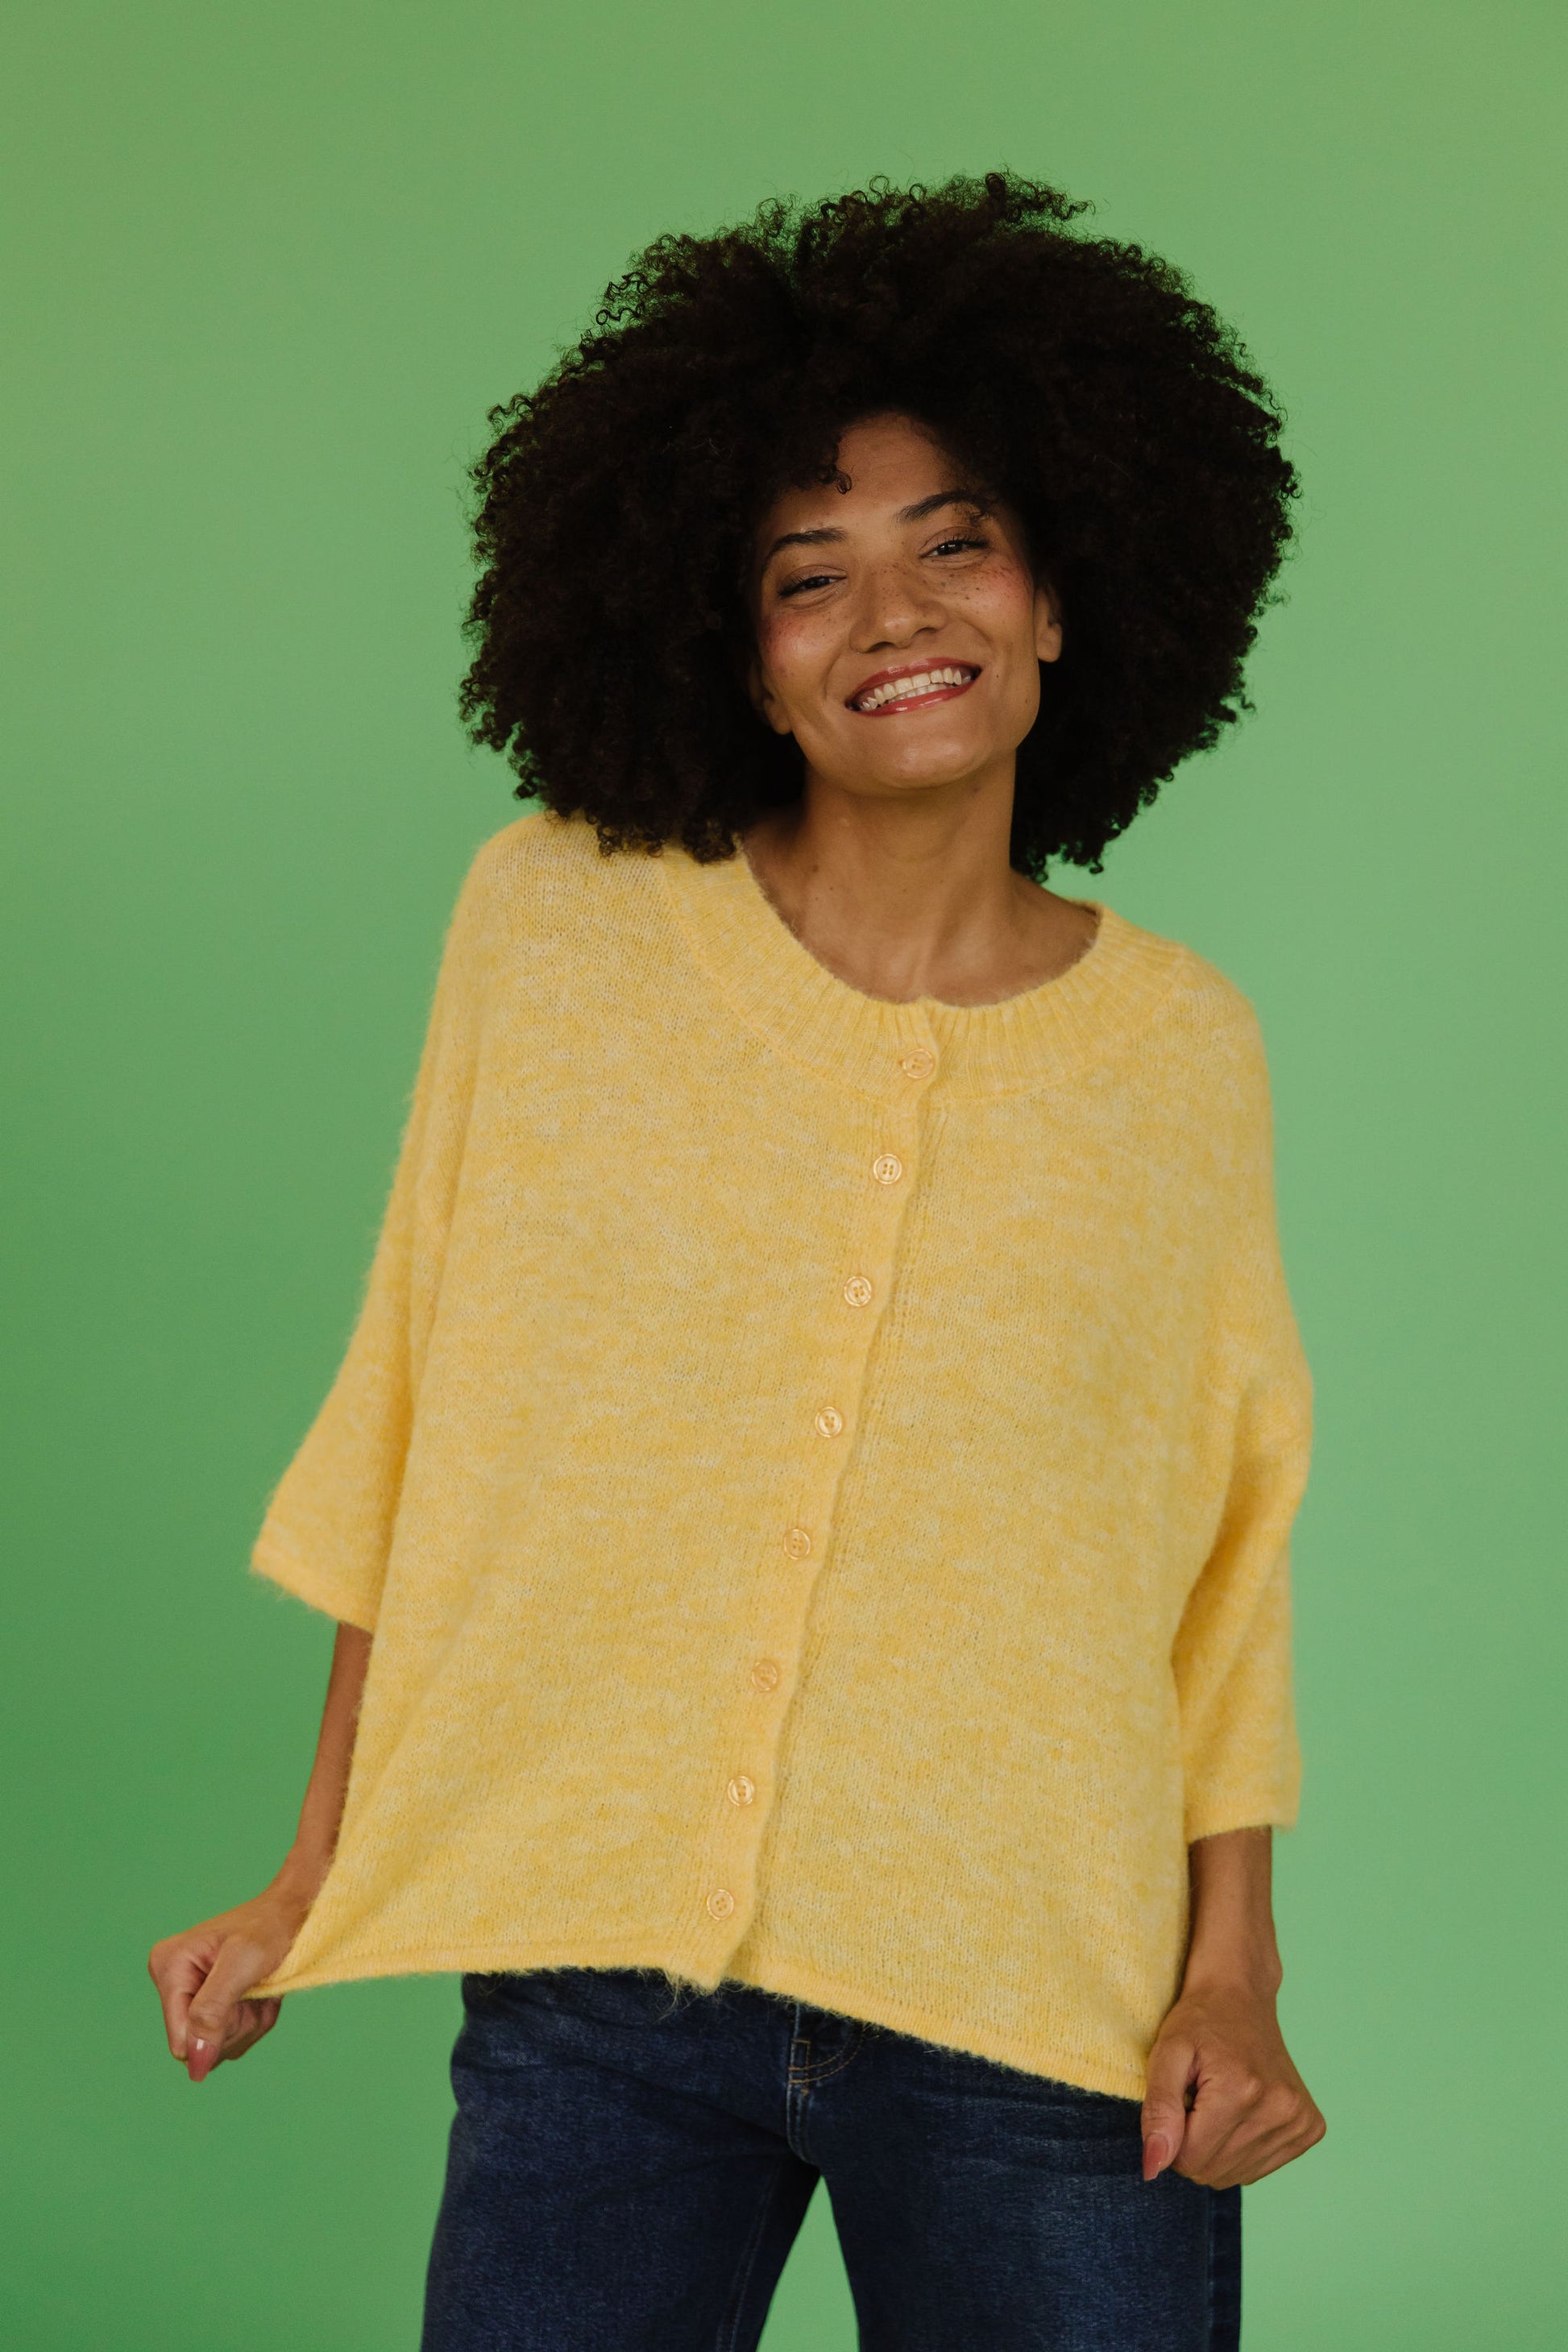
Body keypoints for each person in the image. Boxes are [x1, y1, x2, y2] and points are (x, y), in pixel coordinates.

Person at [149, 172, 1325, 2350]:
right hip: (597, 1996)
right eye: (809, 575)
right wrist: (316, 1871)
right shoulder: (554, 923)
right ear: (740, 658)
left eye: (955, 542)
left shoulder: (1179, 1050)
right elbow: (425, 1407)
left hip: (1039, 2005)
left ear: (1061, 597)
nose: (895, 612)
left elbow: (1221, 1551)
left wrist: (1230, 1976)